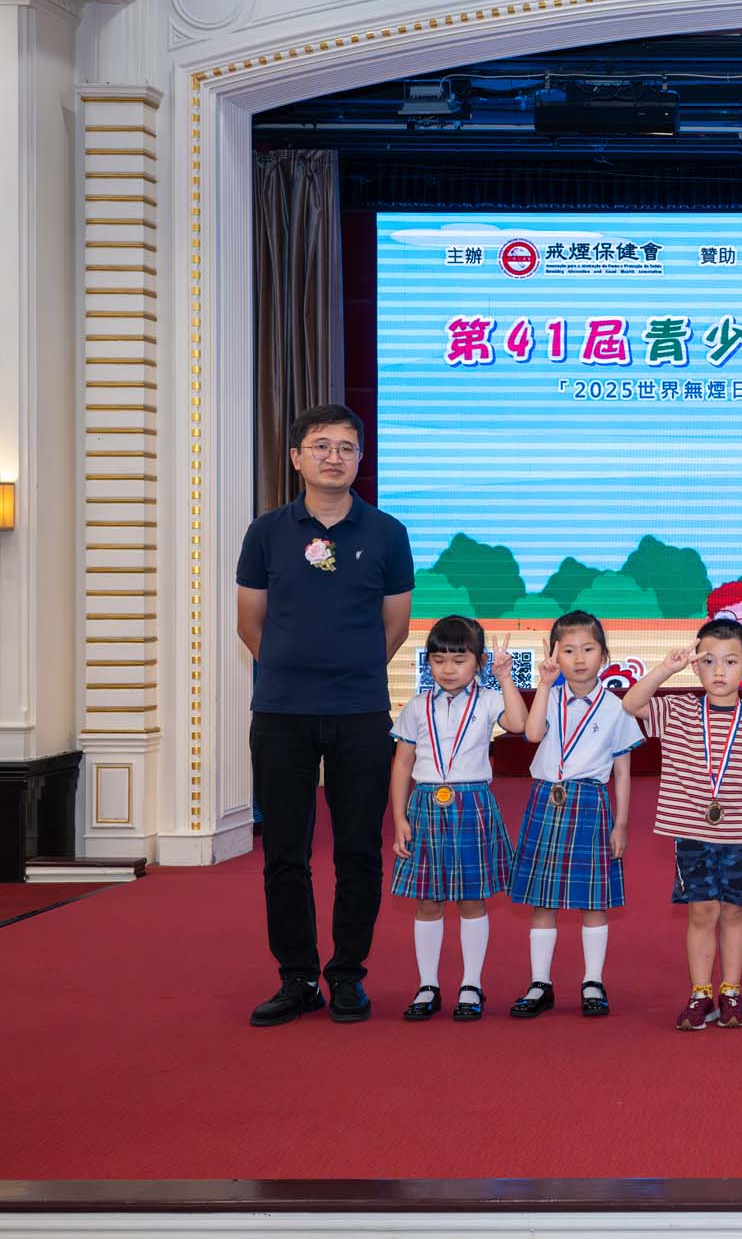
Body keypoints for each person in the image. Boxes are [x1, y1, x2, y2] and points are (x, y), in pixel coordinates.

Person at [237, 403, 415, 1028]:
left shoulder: (387, 532)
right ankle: (296, 977)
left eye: (345, 447)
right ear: (297, 458)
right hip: (281, 712)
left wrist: (349, 672)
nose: (333, 457)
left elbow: (395, 625)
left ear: (360, 458)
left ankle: (346, 975)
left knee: (359, 849)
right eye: (320, 446)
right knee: (285, 851)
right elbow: (250, 623)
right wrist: (293, 671)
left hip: (359, 712)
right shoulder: (266, 531)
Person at [620, 618, 742, 1031]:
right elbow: (631, 704)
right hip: (692, 834)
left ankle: (731, 992)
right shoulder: (677, 711)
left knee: (734, 912)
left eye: (730, 661)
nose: (719, 671)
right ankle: (700, 993)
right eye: (708, 661)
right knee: (701, 912)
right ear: (696, 666)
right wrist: (665, 668)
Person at [388, 617, 526, 1022]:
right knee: (428, 900)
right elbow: (402, 764)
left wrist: (505, 677)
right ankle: (427, 985)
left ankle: (471, 984)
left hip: (473, 804)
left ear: (479, 662)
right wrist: (399, 817)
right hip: (426, 805)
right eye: (438, 659)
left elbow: (519, 724)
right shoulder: (417, 706)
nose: (448, 669)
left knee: (471, 899)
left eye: (459, 660)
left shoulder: (489, 700)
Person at [507, 611, 643, 1019]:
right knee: (542, 900)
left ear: (604, 655)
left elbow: (622, 771)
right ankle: (540, 983)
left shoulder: (618, 708)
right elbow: (532, 734)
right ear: (554, 656)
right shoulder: (549, 697)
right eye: (568, 650)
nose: (579, 658)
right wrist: (544, 685)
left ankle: (593, 981)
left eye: (588, 649)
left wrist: (621, 824)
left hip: (590, 803)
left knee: (594, 900)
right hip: (546, 800)